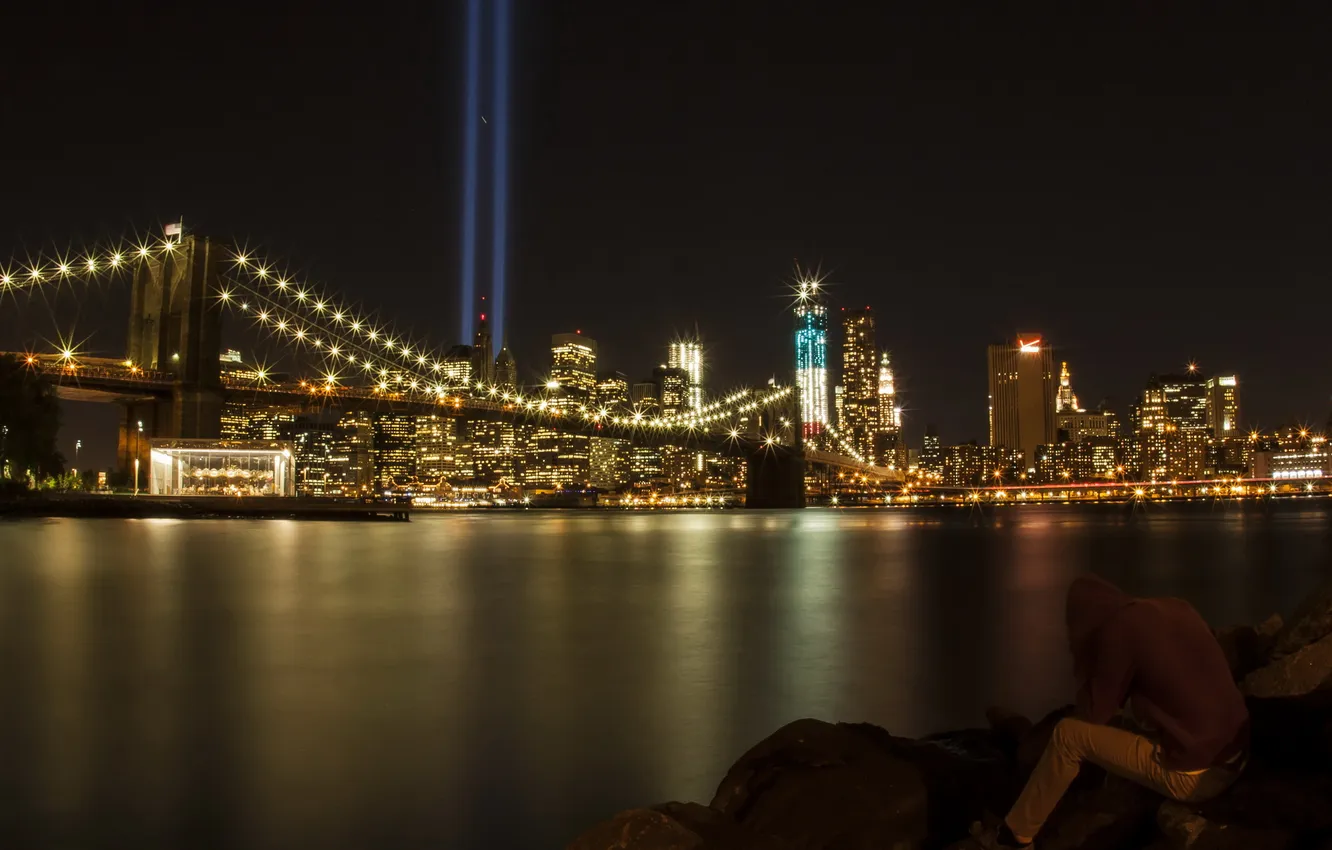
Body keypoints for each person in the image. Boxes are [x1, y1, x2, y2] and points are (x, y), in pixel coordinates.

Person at [971, 574, 1250, 849]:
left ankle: (1014, 837)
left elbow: (1093, 713)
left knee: (1068, 736)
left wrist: (1088, 662)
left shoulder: (1118, 631)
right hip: (1238, 753)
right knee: (1122, 724)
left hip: (1199, 777)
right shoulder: (1174, 607)